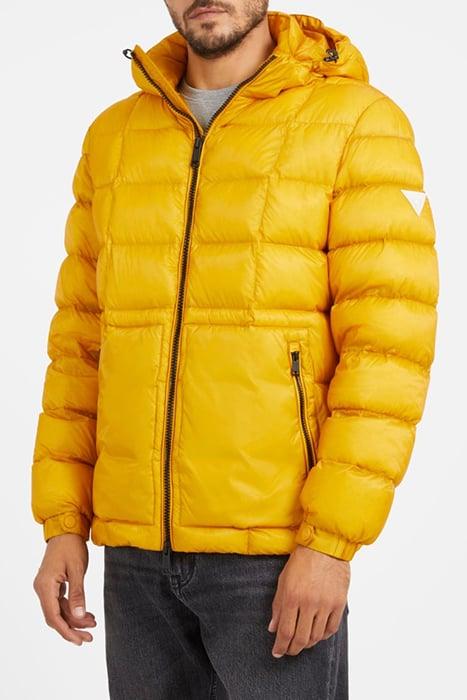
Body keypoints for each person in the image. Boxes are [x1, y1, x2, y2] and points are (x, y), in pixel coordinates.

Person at [31, 2, 439, 698]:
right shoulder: (114, 138)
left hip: (273, 558)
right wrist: (62, 521)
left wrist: (328, 544)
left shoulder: (357, 123)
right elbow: (80, 343)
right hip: (133, 556)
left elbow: (386, 350)